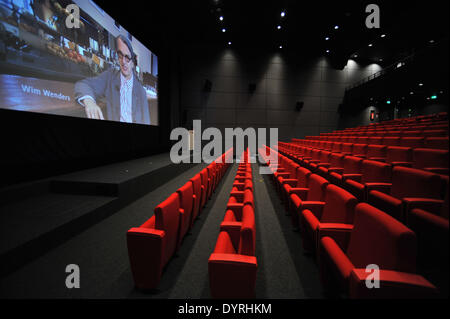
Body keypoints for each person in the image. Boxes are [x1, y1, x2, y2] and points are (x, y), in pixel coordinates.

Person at [74, 35, 151, 125]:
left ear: (133, 63)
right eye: (120, 56)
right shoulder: (110, 76)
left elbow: (146, 121)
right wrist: (89, 102)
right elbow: (83, 85)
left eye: (127, 57)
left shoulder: (141, 91)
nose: (123, 62)